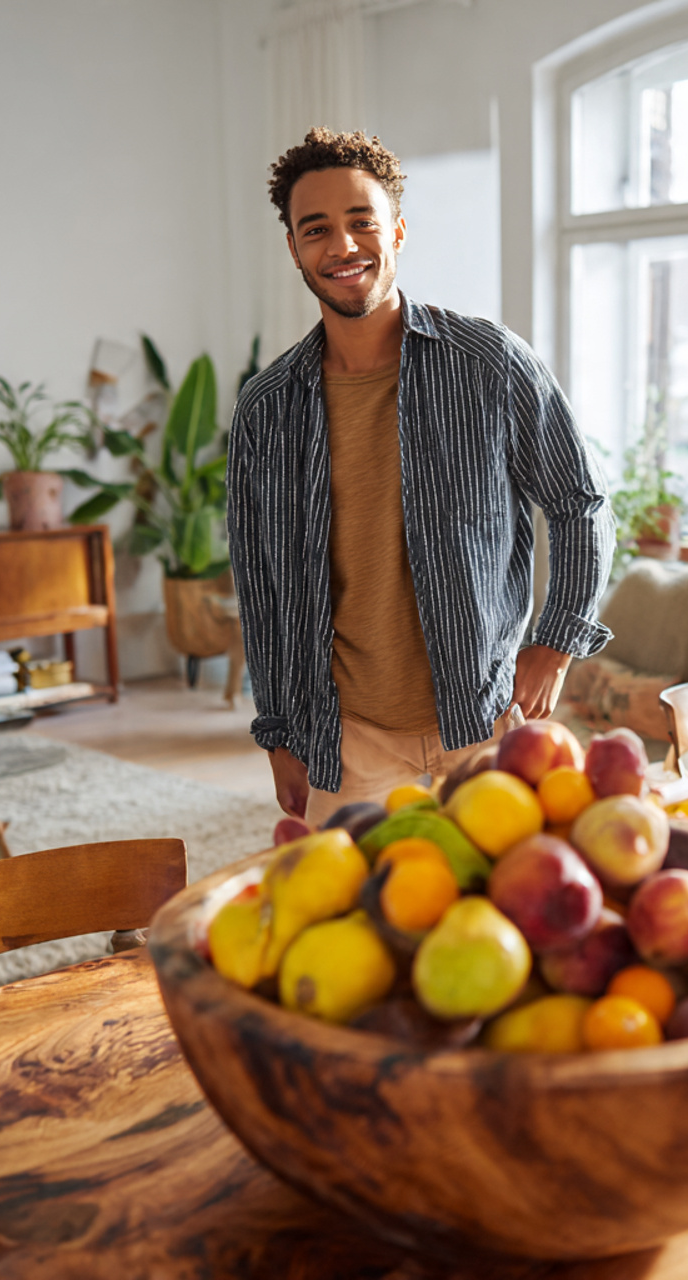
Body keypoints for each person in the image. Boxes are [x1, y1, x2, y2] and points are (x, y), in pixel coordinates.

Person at [227, 127, 613, 826]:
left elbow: (579, 502)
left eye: (360, 222)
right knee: (360, 925)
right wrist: (278, 733)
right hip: (349, 741)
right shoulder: (267, 409)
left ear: (397, 231)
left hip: (486, 720)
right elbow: (260, 583)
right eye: (316, 230)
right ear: (293, 249)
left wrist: (556, 642)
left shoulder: (488, 362)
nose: (342, 247)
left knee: (506, 926)